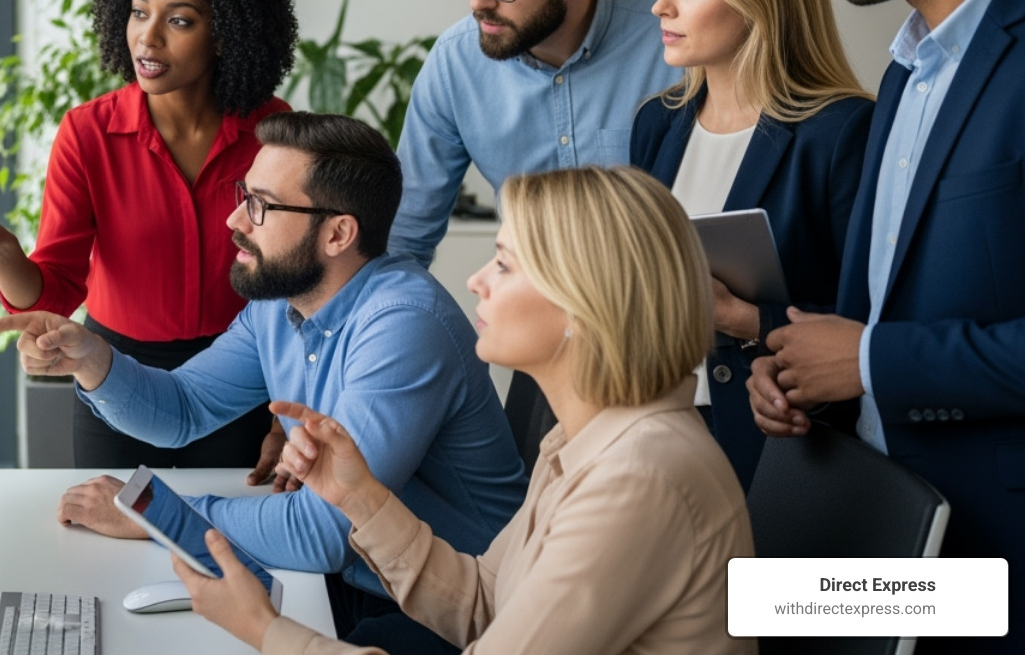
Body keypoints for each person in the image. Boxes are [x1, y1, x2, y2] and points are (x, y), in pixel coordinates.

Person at [0, 113, 525, 655]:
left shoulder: (404, 324)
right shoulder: (279, 305)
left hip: (456, 612)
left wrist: (161, 517)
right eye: (244, 194)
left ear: (338, 233)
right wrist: (91, 359)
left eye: (261, 205)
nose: (234, 220)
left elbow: (323, 533)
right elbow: (184, 409)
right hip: (358, 580)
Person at [173, 166, 754, 654]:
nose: (476, 281)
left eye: (502, 263)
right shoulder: (588, 443)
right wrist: (359, 496)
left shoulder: (637, 478)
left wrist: (265, 630)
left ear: (582, 304)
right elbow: (486, 603)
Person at [748, 0, 1025, 653]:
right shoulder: (906, 68)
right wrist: (804, 375)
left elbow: (879, 345)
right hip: (863, 520)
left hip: (991, 561)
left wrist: (868, 361)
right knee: (735, 623)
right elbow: (883, 301)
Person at [0, 0, 298, 472]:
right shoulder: (88, 134)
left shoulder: (275, 133)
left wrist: (291, 415)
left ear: (228, 31)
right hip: (116, 375)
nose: (148, 37)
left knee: (230, 548)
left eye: (179, 21)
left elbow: (296, 288)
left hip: (242, 380)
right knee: (106, 547)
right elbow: (54, 294)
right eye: (138, 13)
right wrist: (3, 252)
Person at [630, 0, 872, 488]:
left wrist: (744, 318)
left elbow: (868, 329)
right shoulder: (656, 123)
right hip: (649, 434)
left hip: (777, 449)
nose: (661, 5)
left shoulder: (841, 131)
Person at [389, 0, 675, 267]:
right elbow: (405, 241)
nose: (478, 1)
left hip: (661, 312)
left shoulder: (672, 39)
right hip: (531, 313)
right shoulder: (454, 63)